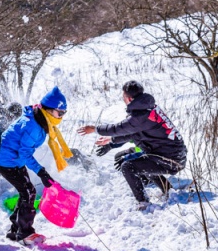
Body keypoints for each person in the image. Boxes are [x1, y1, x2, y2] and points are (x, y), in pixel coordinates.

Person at [77, 80, 186, 210]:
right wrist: (111, 141)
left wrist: (95, 129)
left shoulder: (140, 115)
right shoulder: (148, 108)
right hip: (174, 155)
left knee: (128, 166)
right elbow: (133, 133)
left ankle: (143, 202)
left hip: (171, 159)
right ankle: (168, 190)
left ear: (128, 98)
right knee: (145, 163)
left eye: (123, 96)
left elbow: (120, 128)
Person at [0, 86, 72, 243]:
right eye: (60, 112)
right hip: (6, 160)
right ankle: (24, 234)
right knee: (28, 192)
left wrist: (41, 172)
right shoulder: (34, 126)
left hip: (13, 159)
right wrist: (41, 172)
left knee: (27, 192)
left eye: (64, 113)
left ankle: (15, 231)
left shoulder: (41, 119)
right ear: (48, 110)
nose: (61, 116)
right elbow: (24, 153)